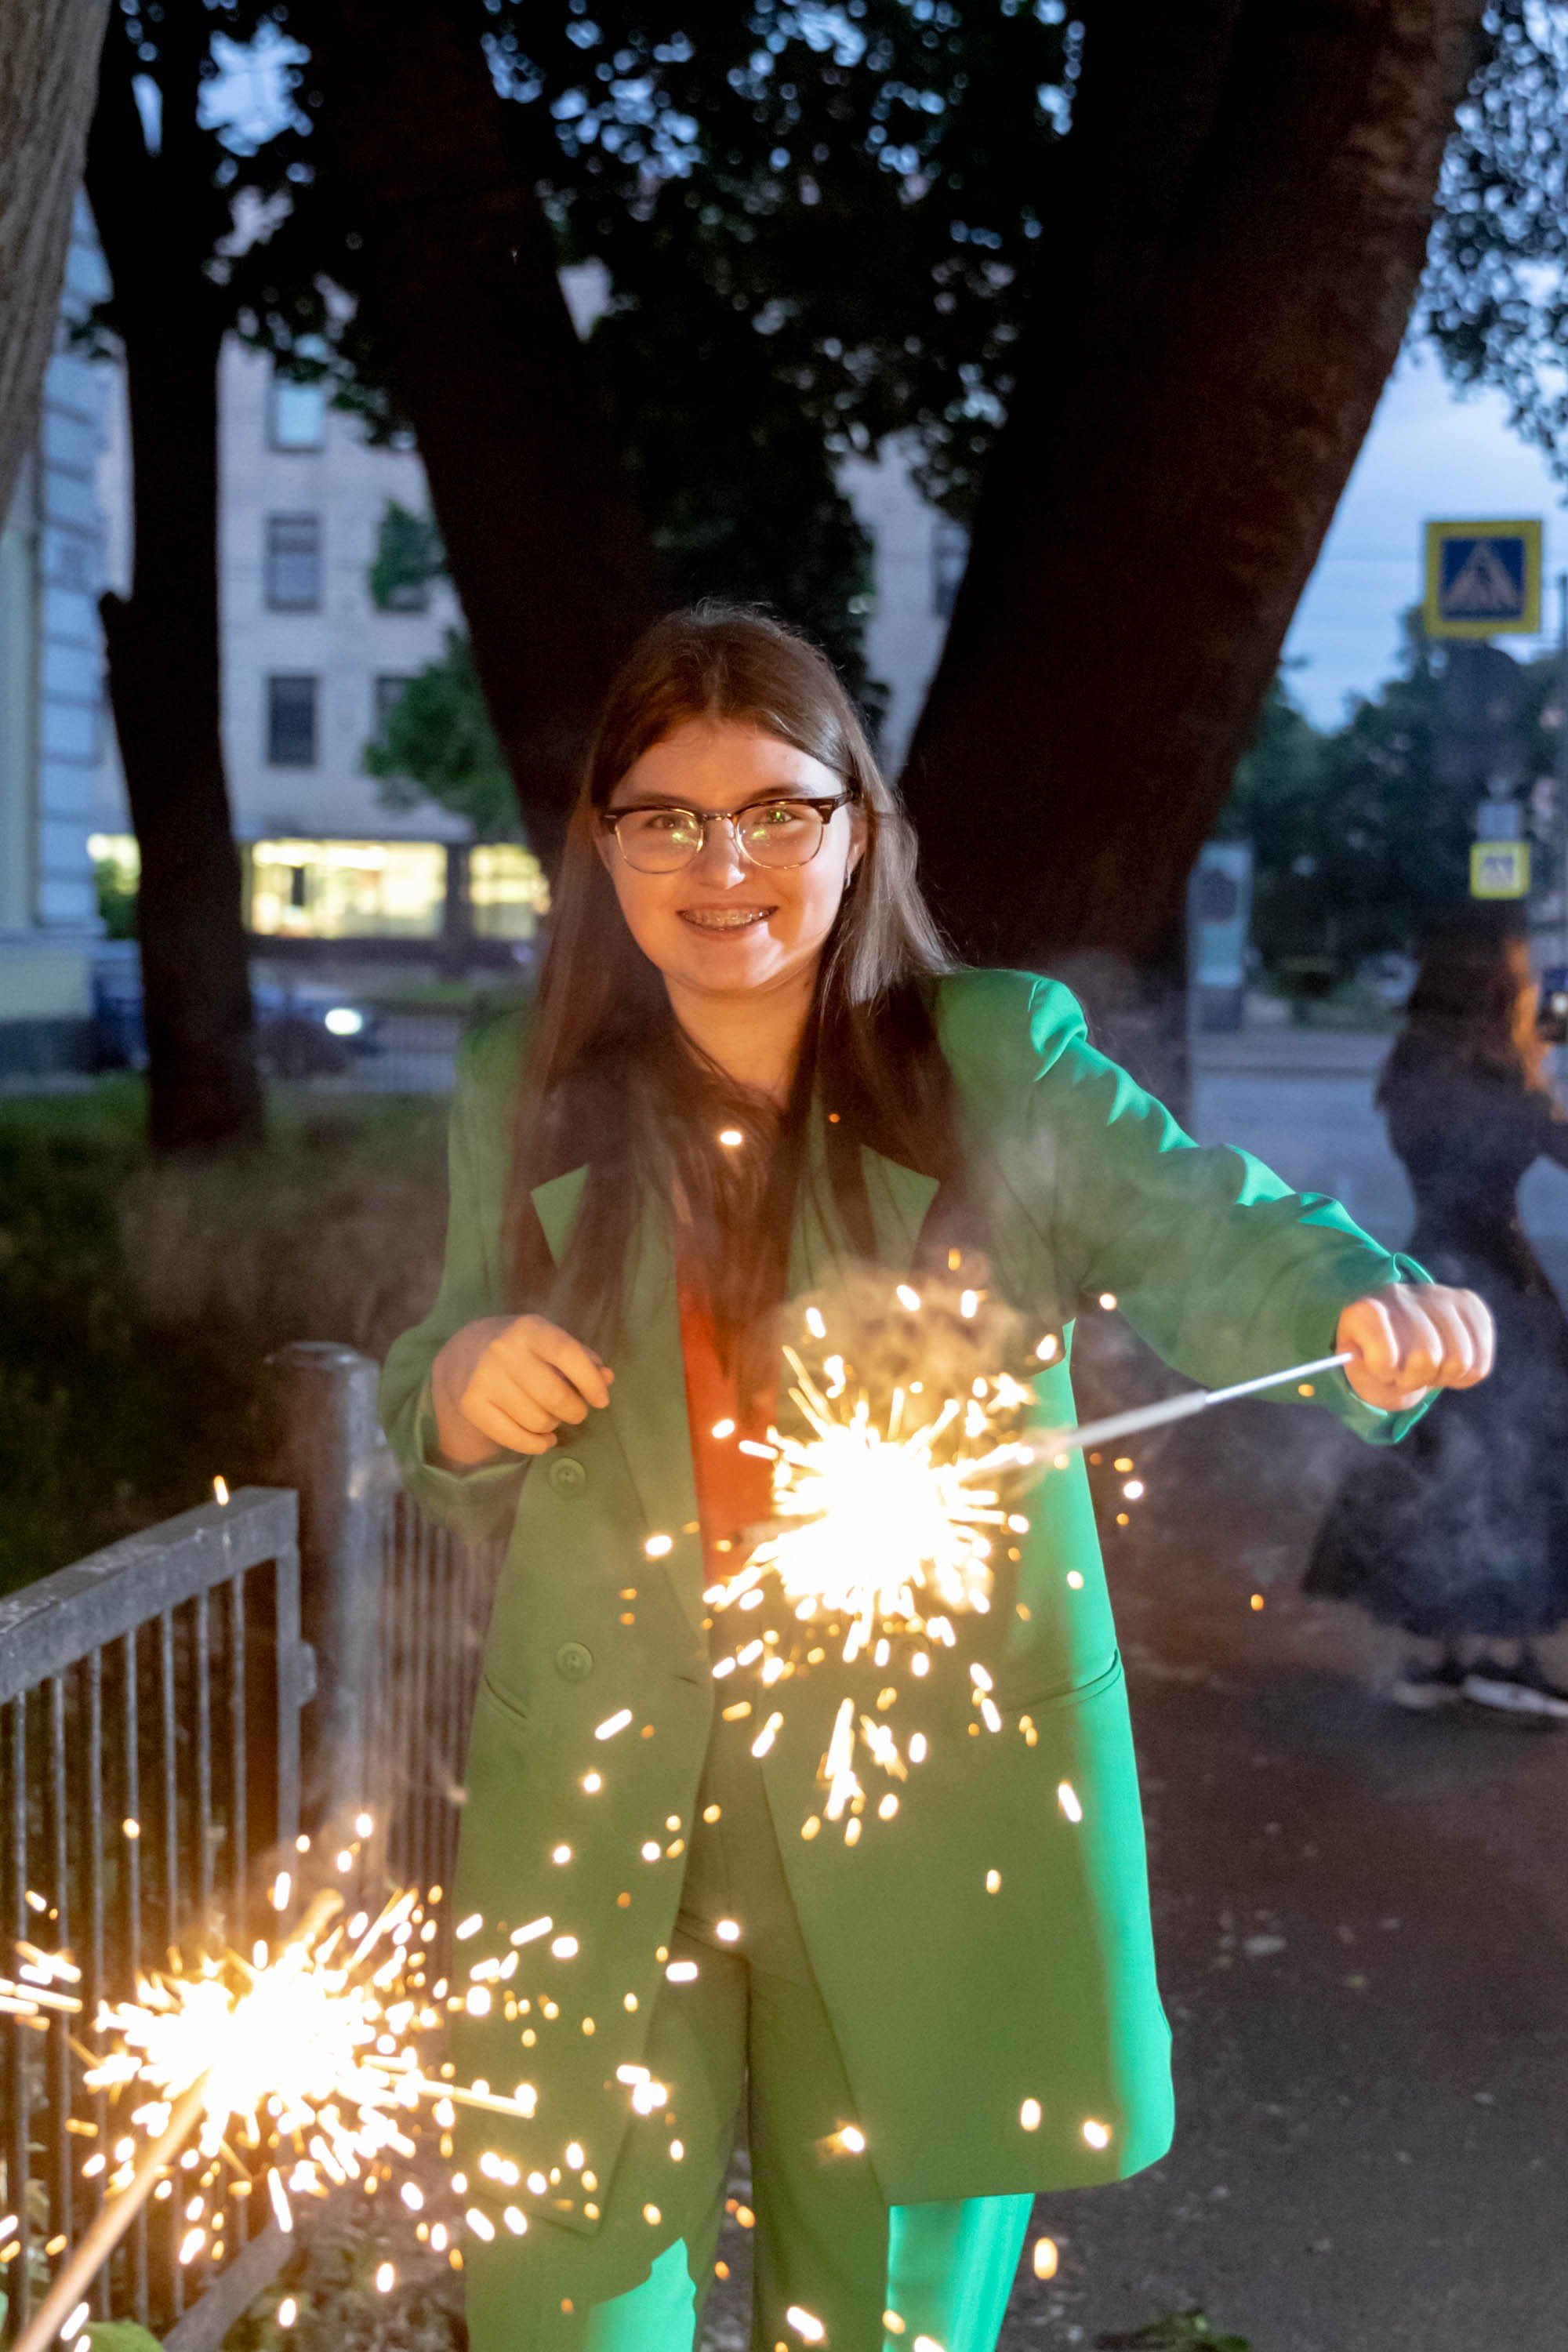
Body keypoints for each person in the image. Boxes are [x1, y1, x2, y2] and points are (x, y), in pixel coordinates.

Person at [381, 606, 1490, 2352]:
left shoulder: (992, 1057)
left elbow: (1210, 1227)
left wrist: (1350, 1302)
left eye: (777, 810)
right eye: (667, 818)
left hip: (928, 1808)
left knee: (887, 2326)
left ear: (860, 830)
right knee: (561, 2304)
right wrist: (458, 1389)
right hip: (604, 1809)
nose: (723, 864)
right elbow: (432, 1370)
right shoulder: (518, 1087)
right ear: (605, 847)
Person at [1307, 918, 1568, 1716]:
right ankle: (1503, 1656)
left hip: (1427, 1276)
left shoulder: (1412, 1065)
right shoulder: (1503, 1080)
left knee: (1433, 1458)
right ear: (1496, 988)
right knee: (1515, 1464)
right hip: (1497, 1289)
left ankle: (1438, 1655)